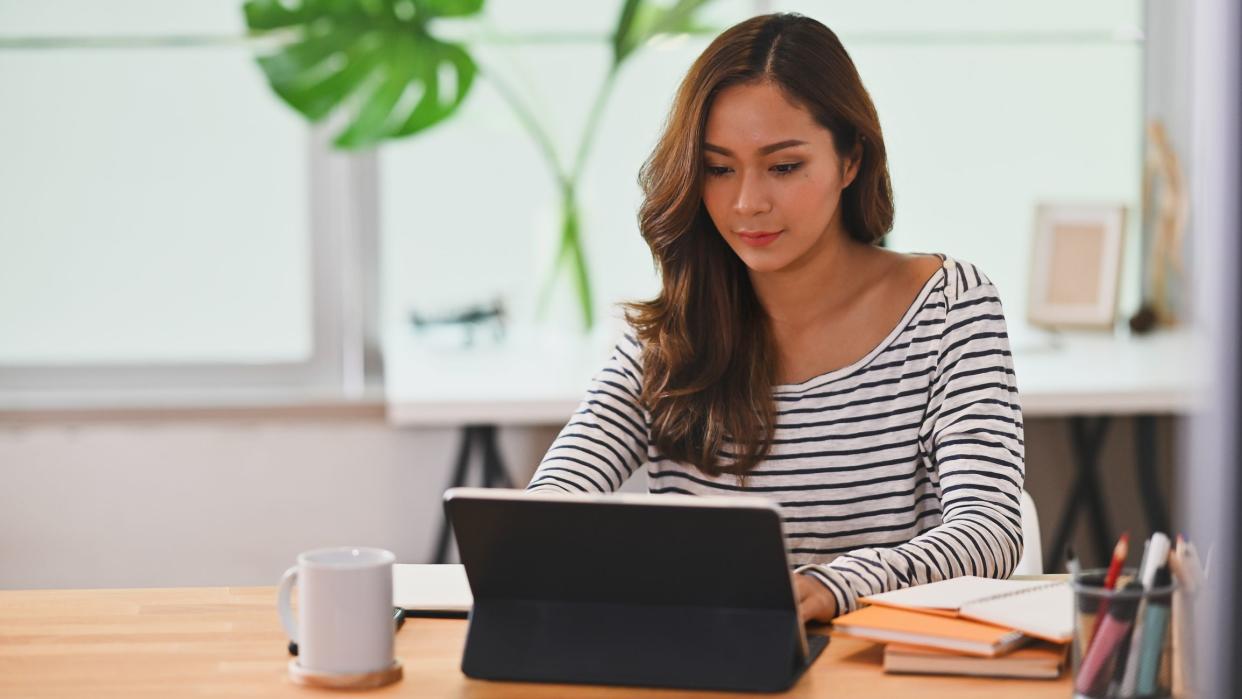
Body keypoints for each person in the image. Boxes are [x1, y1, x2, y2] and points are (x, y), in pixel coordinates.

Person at [526, 13, 1024, 625]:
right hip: (705, 666)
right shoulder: (670, 332)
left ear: (849, 161)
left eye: (783, 167)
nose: (747, 202)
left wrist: (833, 585)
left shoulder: (951, 307)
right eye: (718, 167)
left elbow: (991, 530)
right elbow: (551, 505)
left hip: (877, 668)